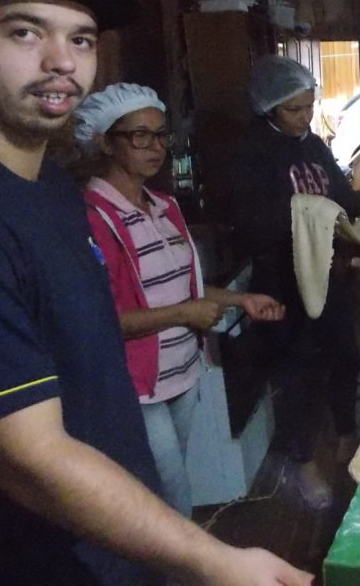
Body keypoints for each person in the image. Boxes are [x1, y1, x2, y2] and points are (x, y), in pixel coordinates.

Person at [0, 0, 313, 584]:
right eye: (22, 31)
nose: (61, 60)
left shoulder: (47, 188)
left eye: (80, 38)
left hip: (106, 541)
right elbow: (26, 456)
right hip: (35, 559)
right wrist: (212, 556)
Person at [74, 82, 286, 518]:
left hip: (184, 371)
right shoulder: (92, 218)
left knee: (171, 480)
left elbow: (182, 286)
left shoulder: (164, 206)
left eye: (160, 135)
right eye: (139, 135)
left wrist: (240, 298)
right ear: (104, 142)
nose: (154, 147)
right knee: (168, 488)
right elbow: (97, 319)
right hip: (137, 383)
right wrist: (185, 314)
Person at [230, 55, 360, 508]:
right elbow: (251, 222)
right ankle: (302, 459)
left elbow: (341, 198)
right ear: (268, 108)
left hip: (325, 269)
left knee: (346, 353)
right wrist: (307, 213)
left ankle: (347, 435)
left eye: (309, 106)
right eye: (294, 110)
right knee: (297, 369)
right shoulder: (251, 152)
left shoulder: (312, 145)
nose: (305, 117)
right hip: (280, 277)